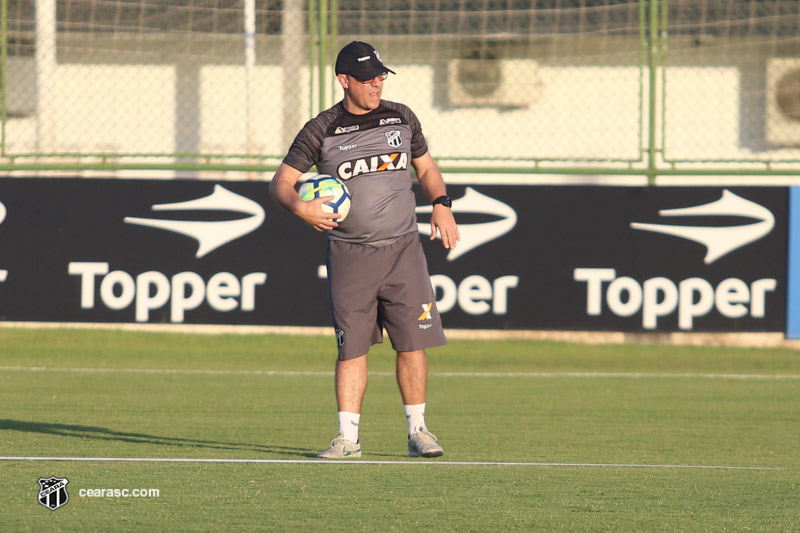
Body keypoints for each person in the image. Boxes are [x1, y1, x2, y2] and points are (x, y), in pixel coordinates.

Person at [269, 41, 459, 459]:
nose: (376, 83)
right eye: (367, 77)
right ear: (344, 81)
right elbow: (281, 181)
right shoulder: (322, 128)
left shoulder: (401, 116)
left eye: (380, 76)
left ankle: (419, 432)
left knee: (412, 341)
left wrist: (442, 205)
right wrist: (300, 207)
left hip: (403, 249)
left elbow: (425, 167)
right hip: (349, 254)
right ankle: (347, 439)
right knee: (351, 347)